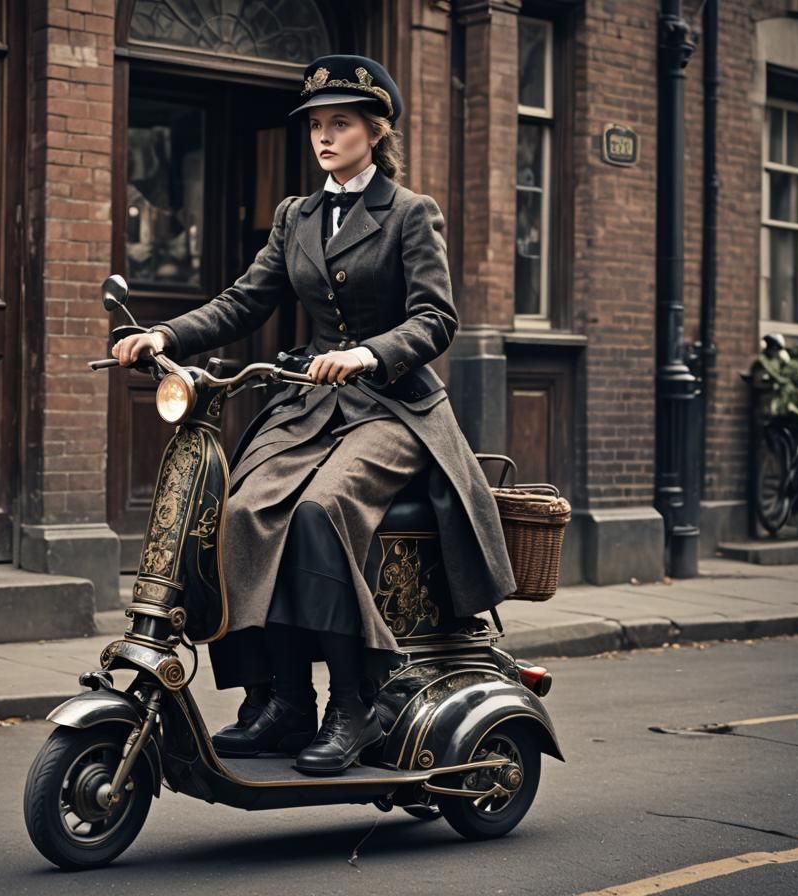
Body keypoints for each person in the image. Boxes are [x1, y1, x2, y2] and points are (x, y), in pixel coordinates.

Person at [112, 55, 517, 776]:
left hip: (394, 409)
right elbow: (245, 300)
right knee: (237, 511)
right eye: (316, 126)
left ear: (376, 131)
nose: (324, 137)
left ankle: (356, 704)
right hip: (309, 405)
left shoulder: (410, 212)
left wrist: (366, 355)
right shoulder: (295, 216)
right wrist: (164, 335)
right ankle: (283, 700)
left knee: (320, 512)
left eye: (340, 124)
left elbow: (436, 319)